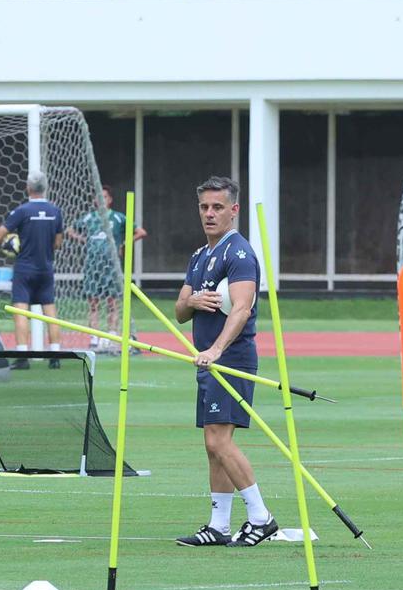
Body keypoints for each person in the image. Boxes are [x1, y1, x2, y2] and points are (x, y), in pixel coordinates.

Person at [173, 175, 278, 548]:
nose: (210, 214)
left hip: (229, 359)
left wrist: (216, 349)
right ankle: (218, 526)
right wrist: (193, 302)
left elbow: (242, 308)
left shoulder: (239, 253)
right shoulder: (200, 256)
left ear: (234, 211)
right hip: (206, 362)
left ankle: (261, 517)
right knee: (212, 442)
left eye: (218, 207)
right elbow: (180, 310)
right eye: (204, 207)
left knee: (220, 441)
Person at [0, 172, 64, 370]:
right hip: (46, 268)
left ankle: (23, 356)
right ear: (45, 188)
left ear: (28, 188)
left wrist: (11, 243)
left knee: (21, 312)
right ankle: (55, 356)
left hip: (24, 269)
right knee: (50, 311)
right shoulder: (55, 211)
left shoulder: (22, 211)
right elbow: (58, 243)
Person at [70, 185, 147, 352]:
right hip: (92, 265)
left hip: (111, 266)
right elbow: (70, 230)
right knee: (93, 303)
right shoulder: (88, 218)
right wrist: (84, 240)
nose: (101, 200)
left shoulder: (118, 218)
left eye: (104, 197)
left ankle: (112, 337)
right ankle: (94, 338)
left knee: (112, 303)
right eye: (98, 197)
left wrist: (124, 243)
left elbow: (141, 232)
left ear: (110, 200)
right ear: (94, 200)